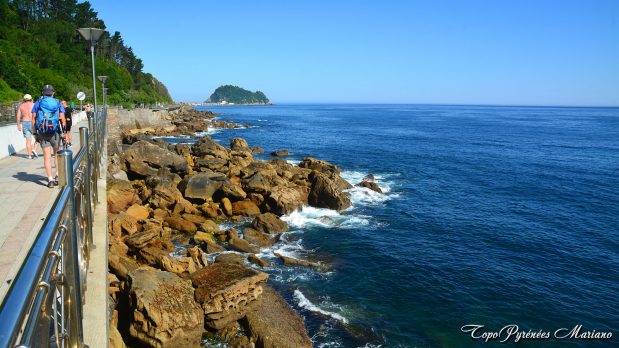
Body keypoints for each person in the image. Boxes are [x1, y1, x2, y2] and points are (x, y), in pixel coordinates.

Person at [32, 85, 66, 188]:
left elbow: (32, 119)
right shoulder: (57, 102)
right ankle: (58, 176)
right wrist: (64, 133)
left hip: (42, 132)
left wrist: (35, 133)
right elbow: (63, 119)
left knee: (47, 157)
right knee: (56, 155)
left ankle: (50, 180)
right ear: (53, 93)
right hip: (55, 132)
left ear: (43, 93)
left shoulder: (38, 102)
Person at [16, 94, 36, 159]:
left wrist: (18, 125)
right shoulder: (33, 105)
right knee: (38, 138)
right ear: (31, 98)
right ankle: (34, 149)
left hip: (24, 122)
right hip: (32, 122)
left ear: (24, 99)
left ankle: (29, 155)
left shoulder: (21, 106)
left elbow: (18, 116)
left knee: (28, 140)